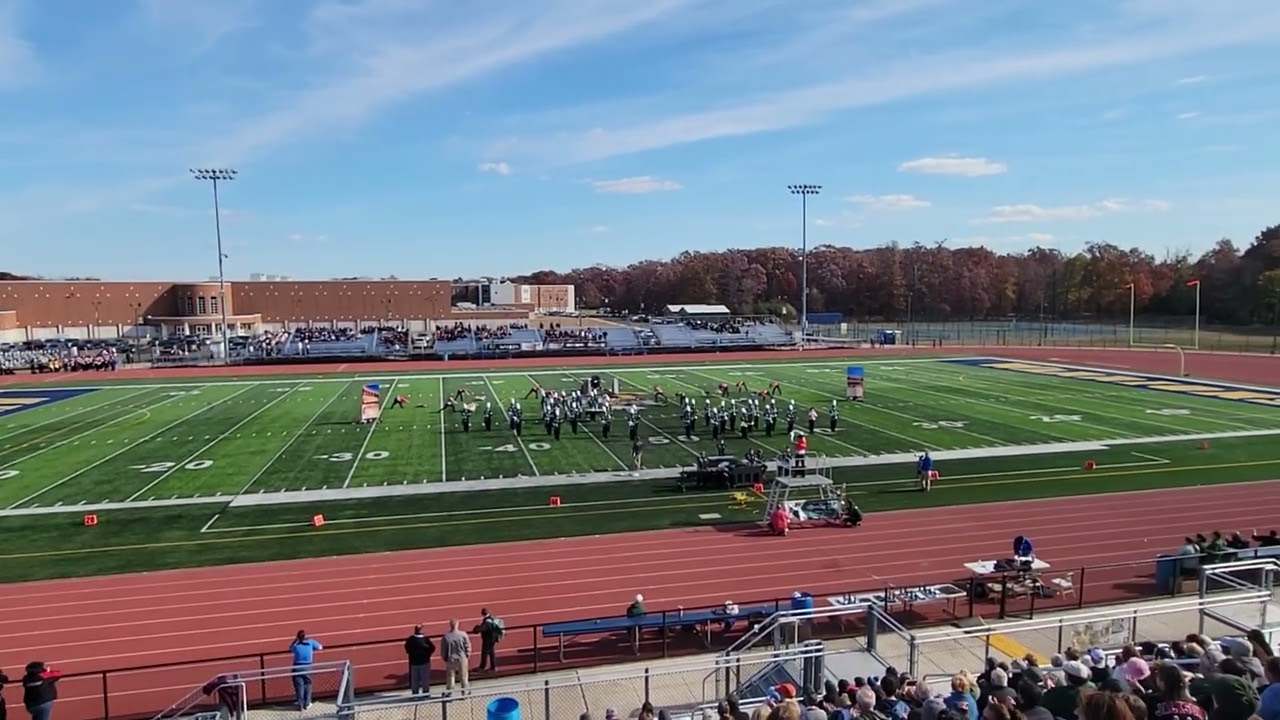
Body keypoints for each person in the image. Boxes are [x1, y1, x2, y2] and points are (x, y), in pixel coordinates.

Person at [289, 630, 322, 710]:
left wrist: (295, 641)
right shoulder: (310, 642)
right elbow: (320, 647)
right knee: (308, 684)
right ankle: (307, 703)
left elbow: (290, 648)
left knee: (299, 685)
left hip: (297, 666)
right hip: (307, 666)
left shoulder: (296, 645)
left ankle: (300, 703)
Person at [441, 619, 471, 696]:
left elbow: (443, 650)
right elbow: (468, 646)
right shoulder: (463, 634)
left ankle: (450, 692)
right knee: (463, 676)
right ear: (457, 624)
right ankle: (465, 691)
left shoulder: (446, 637)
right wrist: (467, 655)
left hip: (451, 658)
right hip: (462, 658)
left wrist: (445, 658)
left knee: (451, 676)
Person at [404, 625, 435, 696]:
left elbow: (406, 648)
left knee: (414, 679)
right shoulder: (425, 640)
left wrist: (411, 654)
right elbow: (432, 648)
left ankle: (415, 694)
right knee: (425, 679)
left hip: (414, 663)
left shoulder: (411, 639)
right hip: (424, 662)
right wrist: (428, 655)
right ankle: (425, 694)